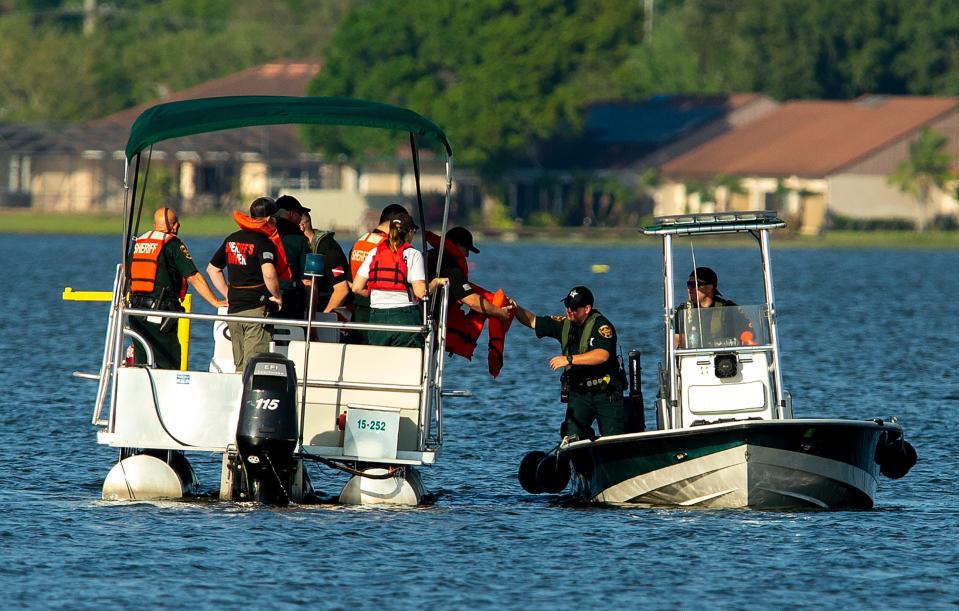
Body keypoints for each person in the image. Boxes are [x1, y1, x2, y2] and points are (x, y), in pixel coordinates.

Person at [512, 286, 625, 439]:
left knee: (614, 440)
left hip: (605, 393)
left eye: (573, 308)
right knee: (571, 437)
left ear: (587, 308)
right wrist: (515, 308)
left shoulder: (602, 327)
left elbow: (602, 355)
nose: (568, 310)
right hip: (580, 394)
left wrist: (569, 359)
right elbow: (533, 321)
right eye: (566, 306)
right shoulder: (565, 324)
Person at [127, 207, 227, 369]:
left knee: (142, 359)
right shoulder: (172, 244)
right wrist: (215, 301)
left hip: (135, 313)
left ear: (154, 225)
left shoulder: (139, 242)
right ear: (176, 226)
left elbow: (127, 274)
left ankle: (141, 389)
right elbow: (193, 276)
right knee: (169, 360)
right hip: (160, 314)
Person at [207, 197, 286, 372]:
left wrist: (228, 294)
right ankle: (248, 398)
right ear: (268, 219)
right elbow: (269, 274)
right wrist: (277, 296)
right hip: (255, 310)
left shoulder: (232, 239)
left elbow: (212, 269)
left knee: (240, 365)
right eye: (275, 217)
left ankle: (239, 397)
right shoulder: (264, 242)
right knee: (254, 365)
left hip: (234, 311)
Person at [352, 213, 441, 348]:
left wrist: (374, 293)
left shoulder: (375, 252)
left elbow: (356, 287)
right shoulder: (413, 254)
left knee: (380, 360)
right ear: (410, 232)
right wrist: (436, 282)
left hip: (377, 318)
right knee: (409, 362)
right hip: (405, 318)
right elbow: (421, 292)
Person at [426, 226, 512, 323]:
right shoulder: (451, 267)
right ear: (458, 245)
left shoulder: (428, 256)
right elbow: (472, 301)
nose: (467, 255)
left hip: (421, 312)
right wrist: (500, 312)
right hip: (430, 320)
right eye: (467, 249)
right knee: (486, 309)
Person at [348, 203, 410, 337]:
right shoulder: (387, 246)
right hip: (378, 310)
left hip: (358, 310)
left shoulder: (360, 242)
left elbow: (350, 281)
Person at [674, 266, 752, 348]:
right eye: (688, 284)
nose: (689, 289)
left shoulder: (729, 308)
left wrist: (747, 340)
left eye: (693, 285)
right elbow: (676, 342)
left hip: (725, 357)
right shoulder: (682, 312)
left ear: (709, 288)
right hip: (693, 358)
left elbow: (748, 333)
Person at [299, 210, 351, 314]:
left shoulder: (328, 249)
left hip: (326, 311)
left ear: (301, 226)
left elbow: (342, 289)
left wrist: (323, 317)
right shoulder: (304, 247)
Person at [272, 195, 311, 319]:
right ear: (291, 214)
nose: (300, 218)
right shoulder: (300, 240)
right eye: (299, 213)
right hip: (291, 299)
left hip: (266, 297)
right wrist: (312, 317)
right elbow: (308, 281)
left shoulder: (265, 235)